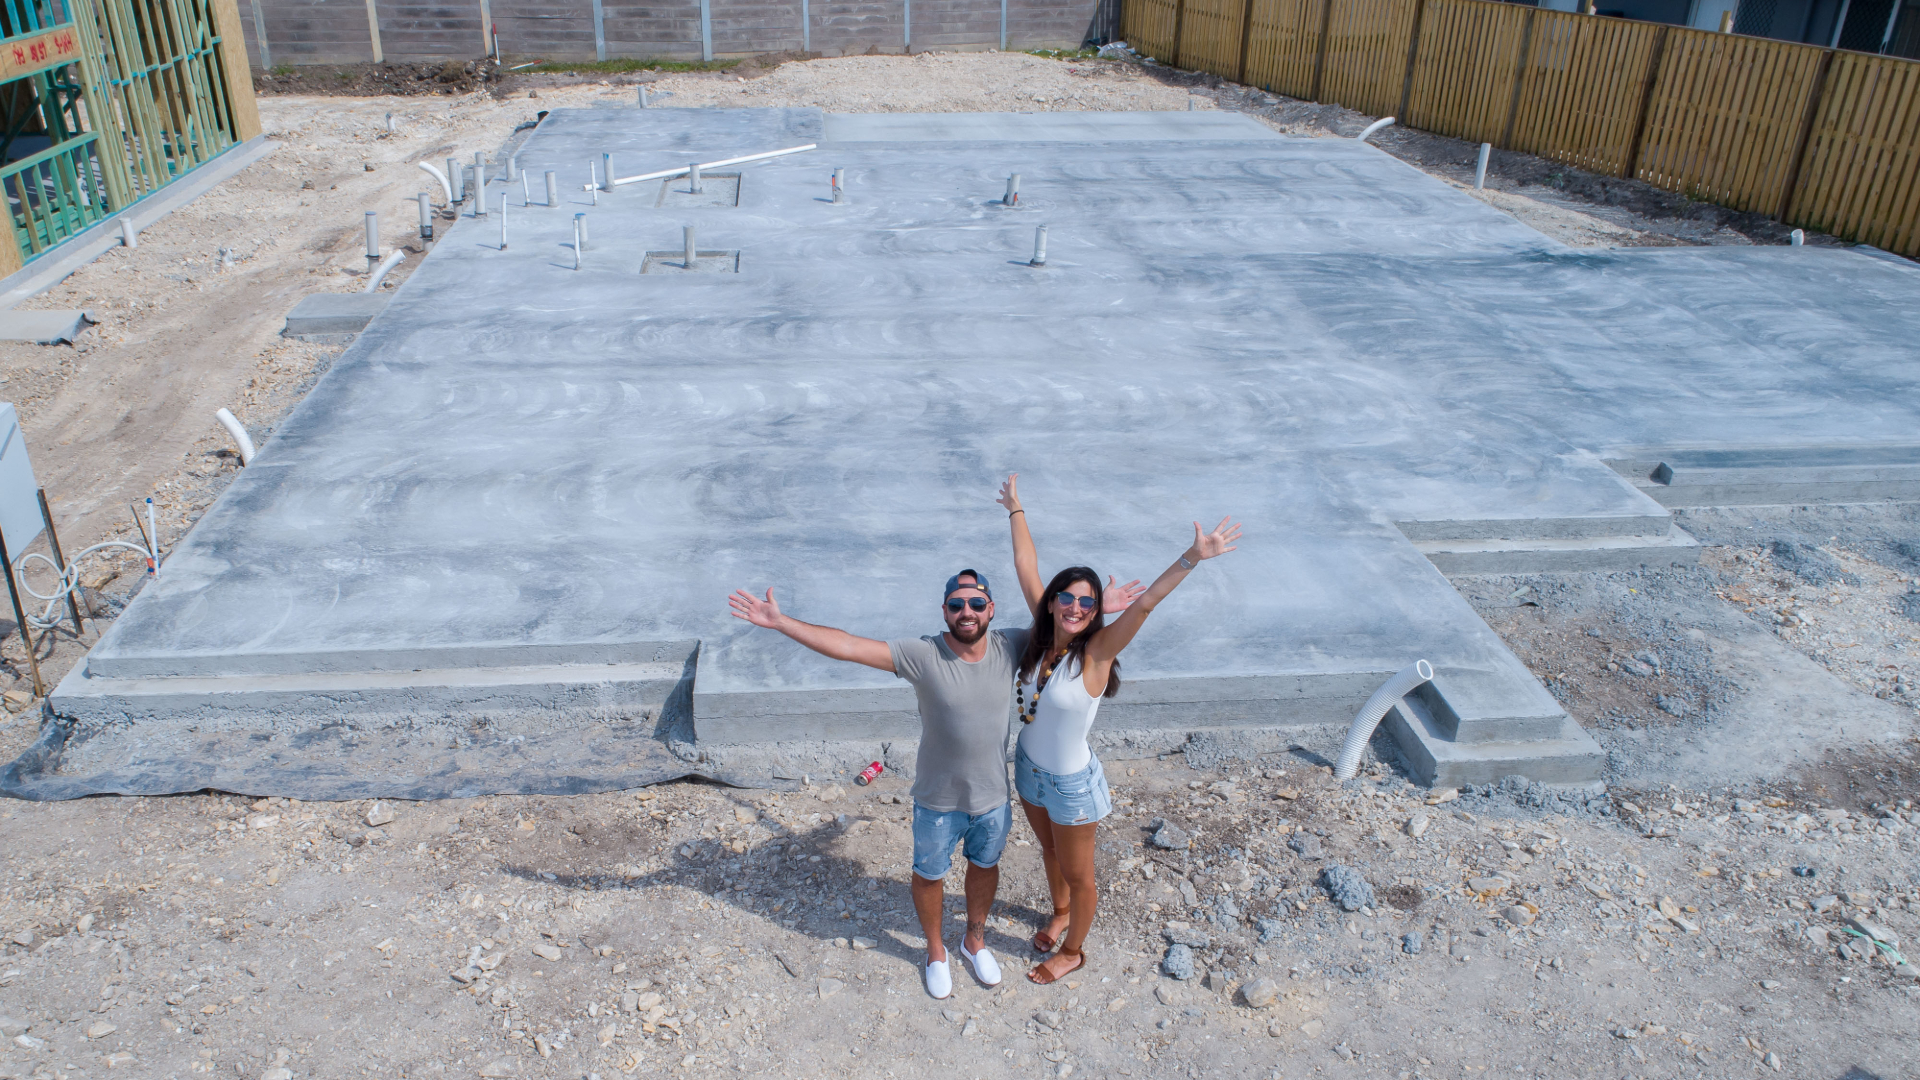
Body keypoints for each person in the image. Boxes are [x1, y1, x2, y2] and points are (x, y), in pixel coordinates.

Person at [727, 567, 1140, 999]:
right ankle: (936, 951)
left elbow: (1058, 617)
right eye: (958, 604)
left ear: (990, 610)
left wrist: (1098, 611)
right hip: (937, 800)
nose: (968, 611)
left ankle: (974, 941)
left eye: (977, 603)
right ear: (944, 611)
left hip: (993, 798)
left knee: (984, 869)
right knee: (929, 875)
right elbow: (848, 646)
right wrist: (781, 622)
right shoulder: (922, 655)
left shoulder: (1012, 644)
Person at [995, 474, 1241, 984]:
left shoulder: (1098, 653)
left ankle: (1073, 951)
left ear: (1096, 610)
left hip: (1069, 785)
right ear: (1054, 601)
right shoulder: (1042, 639)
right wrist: (1016, 508)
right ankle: (1058, 915)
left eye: (1088, 602)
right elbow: (1025, 564)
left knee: (1081, 875)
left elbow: (1147, 601)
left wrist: (1192, 556)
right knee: (1048, 852)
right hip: (1029, 768)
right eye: (1069, 598)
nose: (1077, 607)